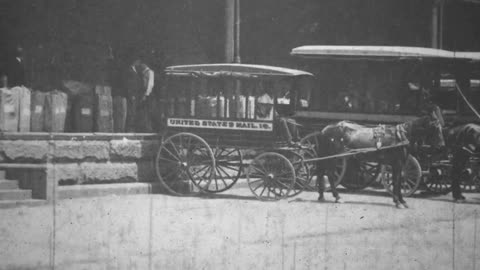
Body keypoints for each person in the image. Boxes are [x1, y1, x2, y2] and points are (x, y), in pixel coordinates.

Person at [126, 56, 155, 132]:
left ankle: (148, 128)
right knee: (139, 111)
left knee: (147, 111)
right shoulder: (140, 72)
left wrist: (146, 94)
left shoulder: (150, 72)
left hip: (147, 95)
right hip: (140, 94)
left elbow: (150, 85)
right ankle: (142, 127)